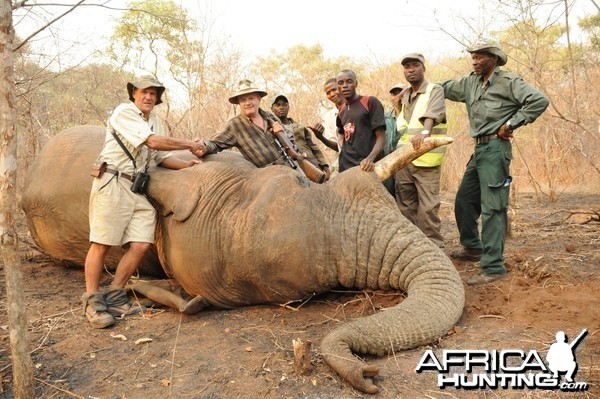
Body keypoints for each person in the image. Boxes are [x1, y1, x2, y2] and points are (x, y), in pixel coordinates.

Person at [84, 75, 204, 328]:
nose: (148, 97)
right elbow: (152, 142)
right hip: (113, 182)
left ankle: (116, 295)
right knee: (102, 243)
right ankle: (93, 302)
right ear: (134, 94)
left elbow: (159, 158)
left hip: (137, 187)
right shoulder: (123, 113)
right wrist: (190, 144)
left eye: (153, 93)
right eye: (143, 92)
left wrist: (187, 167)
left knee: (140, 244)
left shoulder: (156, 121)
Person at [441, 38, 549, 285]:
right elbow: (443, 88)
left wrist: (511, 124)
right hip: (478, 150)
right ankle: (473, 248)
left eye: (480, 57)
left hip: (496, 149)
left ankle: (493, 267)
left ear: (494, 59)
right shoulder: (470, 83)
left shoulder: (509, 82)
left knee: (493, 208)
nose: (475, 61)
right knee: (464, 201)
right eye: (473, 57)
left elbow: (539, 101)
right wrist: (418, 86)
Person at [394, 53, 447, 248]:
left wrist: (425, 132)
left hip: (426, 158)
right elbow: (403, 128)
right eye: (407, 66)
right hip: (405, 158)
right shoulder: (404, 96)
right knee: (406, 206)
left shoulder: (435, 90)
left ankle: (435, 249)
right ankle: (413, 248)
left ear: (423, 68)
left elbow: (433, 113)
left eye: (415, 65)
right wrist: (396, 107)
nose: (411, 69)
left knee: (428, 208)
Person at [194, 80, 293, 169]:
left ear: (259, 99)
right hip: (268, 177)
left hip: (291, 165)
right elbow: (215, 143)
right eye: (243, 100)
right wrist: (204, 147)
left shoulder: (270, 116)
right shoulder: (234, 125)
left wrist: (282, 132)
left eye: (251, 98)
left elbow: (291, 141)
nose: (247, 103)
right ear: (239, 103)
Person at [271, 94, 331, 181]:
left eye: (284, 104)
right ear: (272, 109)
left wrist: (325, 166)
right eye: (277, 105)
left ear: (288, 107)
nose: (281, 107)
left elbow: (314, 148)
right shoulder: (271, 130)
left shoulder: (300, 128)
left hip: (313, 167)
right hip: (291, 172)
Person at [335, 69, 386, 173]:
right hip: (348, 167)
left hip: (369, 165)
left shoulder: (370, 102)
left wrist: (370, 158)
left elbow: (381, 137)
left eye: (349, 81)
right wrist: (340, 141)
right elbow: (340, 130)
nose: (345, 86)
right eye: (341, 83)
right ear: (338, 87)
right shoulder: (341, 109)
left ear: (356, 83)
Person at [382, 82, 407, 196]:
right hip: (388, 165)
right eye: (394, 94)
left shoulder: (413, 115)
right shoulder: (384, 117)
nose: (398, 97)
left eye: (401, 94)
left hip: (406, 165)